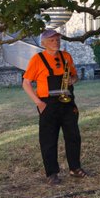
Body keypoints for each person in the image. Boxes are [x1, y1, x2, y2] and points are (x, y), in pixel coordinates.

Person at [22, 29, 87, 184]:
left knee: (73, 136)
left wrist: (73, 79)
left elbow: (75, 75)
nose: (56, 42)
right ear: (43, 43)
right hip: (48, 104)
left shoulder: (66, 56)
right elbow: (26, 83)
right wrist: (39, 103)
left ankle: (75, 168)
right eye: (51, 40)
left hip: (68, 103)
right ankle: (52, 173)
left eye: (57, 39)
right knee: (48, 139)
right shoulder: (37, 59)